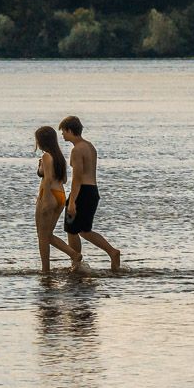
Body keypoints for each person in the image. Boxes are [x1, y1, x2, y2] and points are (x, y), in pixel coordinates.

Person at [60, 116, 121, 270]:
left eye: (63, 131)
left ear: (69, 130)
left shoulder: (77, 149)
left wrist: (72, 202)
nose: (62, 135)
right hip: (92, 190)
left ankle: (77, 262)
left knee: (74, 230)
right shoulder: (89, 146)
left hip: (83, 191)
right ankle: (108, 253)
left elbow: (77, 177)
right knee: (81, 230)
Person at [34, 125, 83, 272]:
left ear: (42, 140)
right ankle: (73, 254)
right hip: (60, 195)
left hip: (49, 195)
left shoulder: (46, 156)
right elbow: (65, 179)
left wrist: (45, 199)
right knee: (47, 235)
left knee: (42, 236)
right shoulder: (59, 157)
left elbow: (48, 179)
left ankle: (46, 270)